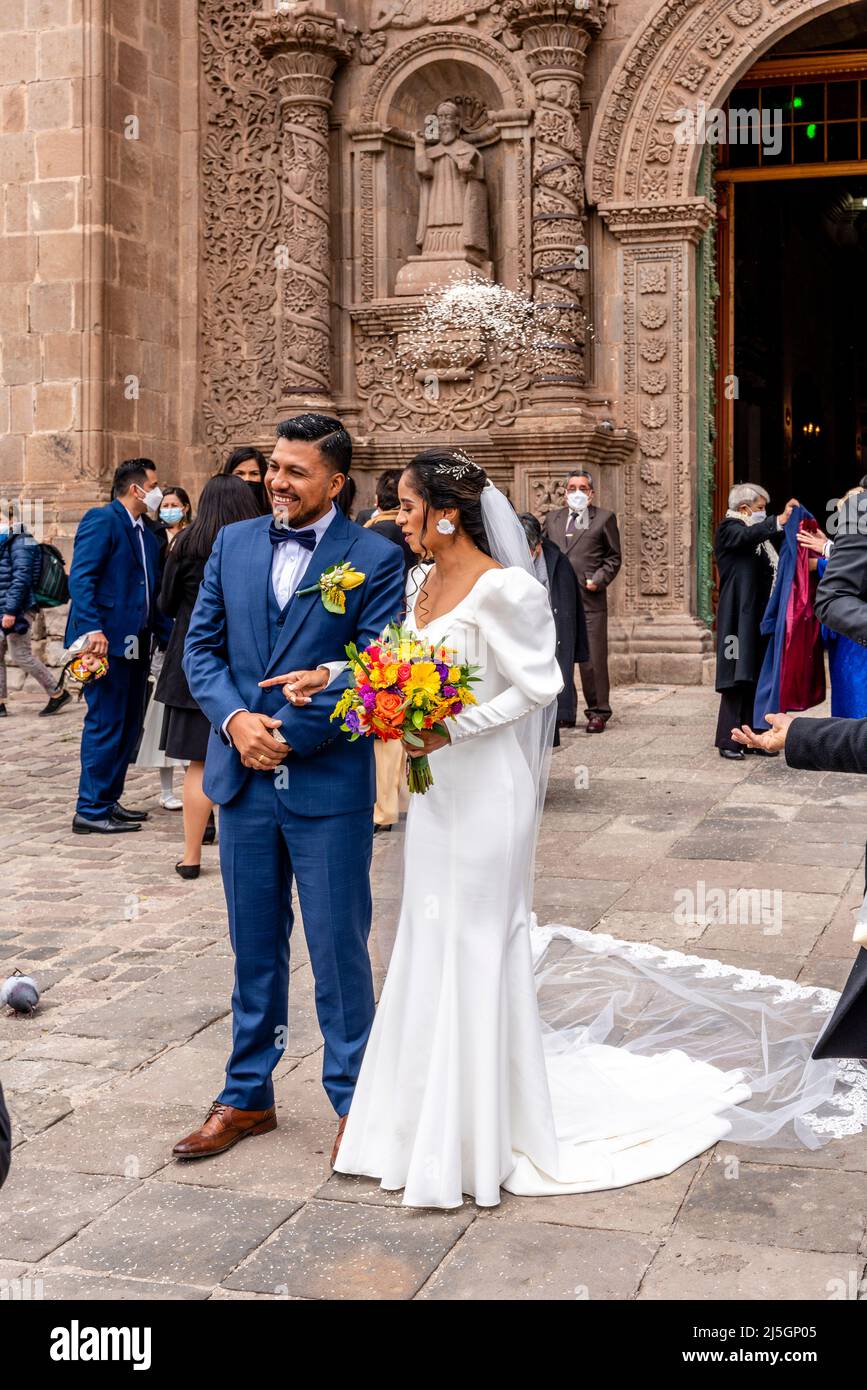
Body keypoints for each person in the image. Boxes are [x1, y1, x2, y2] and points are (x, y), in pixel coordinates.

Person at [278, 448, 859, 1208]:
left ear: (446, 514)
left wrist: (451, 730)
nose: (399, 520)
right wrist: (337, 678)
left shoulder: (506, 590)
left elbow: (541, 686)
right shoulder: (420, 582)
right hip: (438, 788)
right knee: (428, 937)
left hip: (486, 786)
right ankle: (417, 1118)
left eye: (409, 507)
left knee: (478, 940)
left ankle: (487, 1129)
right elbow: (399, 662)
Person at [173, 413, 405, 1163]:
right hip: (239, 782)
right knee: (253, 949)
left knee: (338, 948)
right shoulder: (235, 543)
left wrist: (291, 736)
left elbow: (377, 667)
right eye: (273, 467)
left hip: (325, 785)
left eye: (294, 471)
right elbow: (201, 647)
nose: (276, 481)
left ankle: (355, 1100)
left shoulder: (373, 557)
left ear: (335, 482)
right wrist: (238, 721)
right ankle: (247, 1096)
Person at [156, 475, 261, 878]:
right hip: (244, 660)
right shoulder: (257, 543)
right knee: (248, 756)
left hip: (192, 661)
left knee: (198, 764)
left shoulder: (187, 543)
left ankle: (191, 856)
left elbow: (164, 603)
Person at [65, 458, 171, 834]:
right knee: (106, 723)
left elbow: (150, 588)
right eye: (154, 485)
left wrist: (168, 633)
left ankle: (108, 799)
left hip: (138, 642)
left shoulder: (145, 530)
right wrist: (92, 627)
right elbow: (81, 578)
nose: (159, 492)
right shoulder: (102, 520)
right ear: (135, 488)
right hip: (105, 644)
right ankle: (90, 810)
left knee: (127, 727)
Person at [713, 484, 797, 759]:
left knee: (754, 676)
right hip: (735, 622)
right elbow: (745, 536)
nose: (764, 513)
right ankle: (729, 739)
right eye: (761, 508)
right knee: (735, 678)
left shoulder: (759, 538)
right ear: (744, 508)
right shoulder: (730, 528)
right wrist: (778, 521)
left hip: (755, 620)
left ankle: (752, 738)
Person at [543, 470, 621, 732]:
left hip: (589, 598)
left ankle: (598, 711)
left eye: (583, 488)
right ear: (565, 493)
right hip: (559, 598)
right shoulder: (552, 519)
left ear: (591, 493)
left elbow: (613, 557)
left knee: (593, 659)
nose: (577, 492)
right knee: (558, 654)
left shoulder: (604, 519)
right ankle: (564, 710)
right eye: (572, 488)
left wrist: (599, 578)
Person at [133, 486, 194, 808]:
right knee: (159, 714)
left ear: (186, 507)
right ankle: (166, 788)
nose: (169, 509)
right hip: (164, 634)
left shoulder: (196, 538)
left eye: (175, 504)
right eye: (165, 504)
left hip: (184, 634)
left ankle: (192, 783)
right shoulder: (156, 539)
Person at [799, 489, 867, 718]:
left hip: (857, 632)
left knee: (855, 689)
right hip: (846, 624)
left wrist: (826, 551)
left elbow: (856, 571)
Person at [520, 511, 589, 729]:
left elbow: (570, 606)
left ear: (538, 545)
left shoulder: (559, 563)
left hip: (551, 625)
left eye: (531, 550)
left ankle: (561, 712)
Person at [0, 508, 69, 718]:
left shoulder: (21, 540)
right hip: (5, 606)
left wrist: (11, 611)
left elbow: (22, 578)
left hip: (18, 608)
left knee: (21, 654)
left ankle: (57, 693)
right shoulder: (6, 541)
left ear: (12, 519)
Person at [364, 469, 415, 574]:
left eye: (409, 508)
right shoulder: (412, 524)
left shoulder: (377, 530)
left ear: (377, 500)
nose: (399, 520)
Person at [221, 446, 270, 515]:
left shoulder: (276, 511)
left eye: (254, 473)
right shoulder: (220, 510)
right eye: (240, 473)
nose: (247, 479)